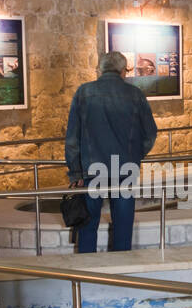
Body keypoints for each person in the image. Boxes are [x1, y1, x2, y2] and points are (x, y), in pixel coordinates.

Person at [65, 50, 158, 252]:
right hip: (125, 168)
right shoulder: (135, 95)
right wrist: (134, 155)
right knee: (123, 226)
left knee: (88, 224)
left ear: (100, 69)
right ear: (123, 71)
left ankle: (87, 272)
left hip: (91, 169)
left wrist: (75, 171)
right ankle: (119, 271)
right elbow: (150, 134)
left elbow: (73, 137)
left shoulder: (84, 92)